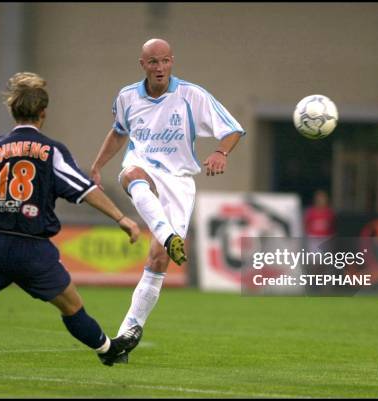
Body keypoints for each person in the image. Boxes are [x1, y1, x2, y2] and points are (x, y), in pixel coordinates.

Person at [0, 72, 143, 378]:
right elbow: (85, 190)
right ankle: (108, 350)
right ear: (43, 113)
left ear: (13, 111)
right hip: (34, 250)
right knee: (72, 307)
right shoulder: (51, 151)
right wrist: (122, 218)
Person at [90, 38, 245, 362]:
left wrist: (220, 151)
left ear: (172, 62)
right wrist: (98, 165)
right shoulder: (127, 96)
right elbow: (119, 132)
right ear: (142, 65)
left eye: (164, 61)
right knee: (133, 176)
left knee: (159, 259)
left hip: (179, 180)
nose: (159, 68)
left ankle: (125, 336)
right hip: (142, 165)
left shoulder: (192, 95)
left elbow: (232, 129)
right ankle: (167, 233)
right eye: (152, 62)